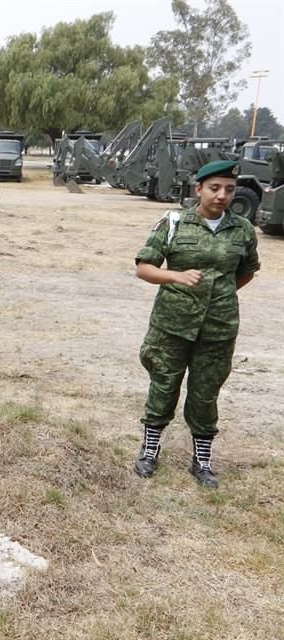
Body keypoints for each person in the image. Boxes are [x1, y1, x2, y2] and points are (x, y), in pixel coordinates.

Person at [133, 160, 260, 488]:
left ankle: (202, 459)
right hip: (172, 325)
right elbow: (144, 268)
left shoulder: (242, 229)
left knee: (206, 393)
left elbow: (245, 272)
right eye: (214, 188)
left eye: (229, 190)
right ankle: (150, 450)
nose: (221, 196)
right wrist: (175, 276)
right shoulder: (174, 222)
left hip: (218, 328)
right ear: (198, 189)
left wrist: (217, 296)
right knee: (163, 385)